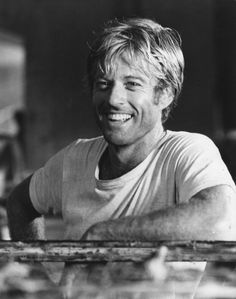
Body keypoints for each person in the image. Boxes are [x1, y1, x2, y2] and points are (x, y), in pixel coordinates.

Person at [6, 17, 236, 297]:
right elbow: (20, 203)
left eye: (132, 84)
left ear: (164, 94)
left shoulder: (186, 152)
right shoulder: (74, 159)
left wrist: (103, 235)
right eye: (103, 83)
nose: (113, 99)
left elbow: (220, 217)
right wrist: (38, 276)